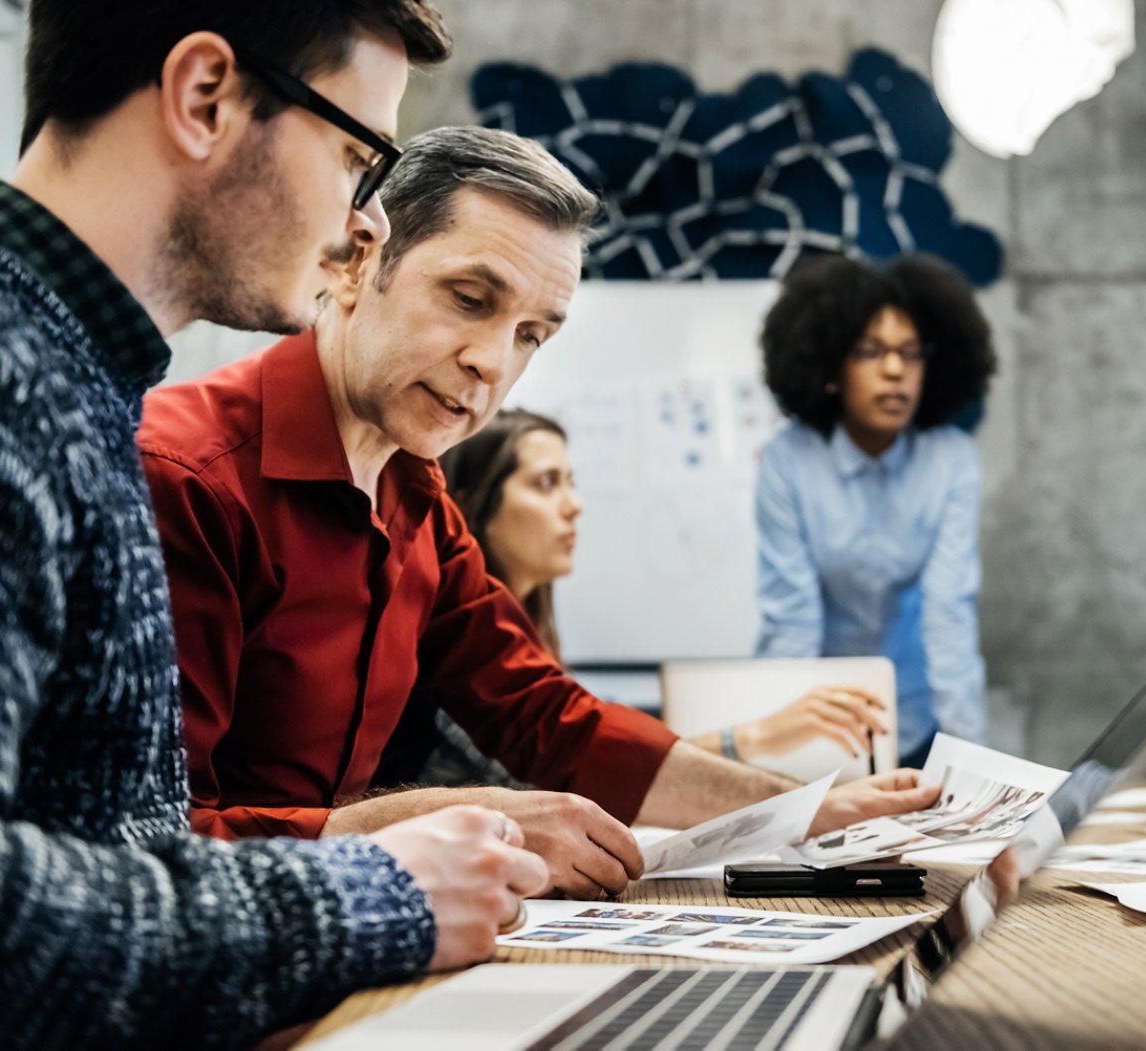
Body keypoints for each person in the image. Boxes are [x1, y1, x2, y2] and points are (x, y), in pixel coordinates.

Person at [0, 4, 555, 1049]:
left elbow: (117, 851)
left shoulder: (70, 376)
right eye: (355, 156)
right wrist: (367, 891)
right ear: (206, 98)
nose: (367, 226)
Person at [138, 127, 942, 903]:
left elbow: (550, 718)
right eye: (468, 298)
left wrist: (812, 813)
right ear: (356, 261)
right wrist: (433, 821)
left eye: (531, 334)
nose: (493, 362)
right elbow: (150, 847)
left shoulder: (415, 493)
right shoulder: (186, 479)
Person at [383, 407, 890, 791]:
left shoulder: (531, 637)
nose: (574, 505)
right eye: (545, 484)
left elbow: (585, 746)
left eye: (571, 482)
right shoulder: (455, 646)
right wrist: (749, 741)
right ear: (471, 505)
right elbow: (557, 782)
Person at [755, 253, 997, 768]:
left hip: (917, 719)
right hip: (818, 722)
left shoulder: (951, 459)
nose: (894, 370)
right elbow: (791, 622)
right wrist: (769, 760)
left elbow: (949, 610)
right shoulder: (788, 460)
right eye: (870, 351)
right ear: (830, 367)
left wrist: (973, 765)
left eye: (910, 354)